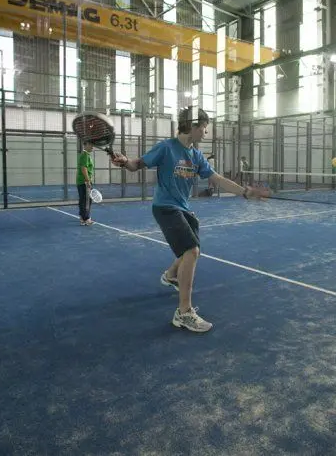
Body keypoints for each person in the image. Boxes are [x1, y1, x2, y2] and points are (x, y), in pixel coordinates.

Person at [111, 107, 269, 333]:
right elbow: (137, 165)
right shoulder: (166, 148)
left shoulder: (196, 156)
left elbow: (218, 179)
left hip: (182, 208)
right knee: (191, 251)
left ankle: (170, 275)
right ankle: (183, 313)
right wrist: (125, 161)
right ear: (193, 126)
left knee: (193, 248)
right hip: (165, 207)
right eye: (204, 128)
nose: (206, 133)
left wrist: (244, 192)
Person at [77, 141, 95, 226]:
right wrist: (88, 181)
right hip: (84, 181)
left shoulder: (86, 155)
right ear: (85, 145)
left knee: (83, 199)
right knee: (87, 200)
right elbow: (84, 168)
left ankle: (82, 217)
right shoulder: (85, 155)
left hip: (82, 181)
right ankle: (86, 219)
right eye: (90, 144)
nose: (92, 146)